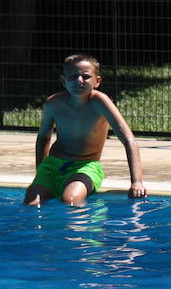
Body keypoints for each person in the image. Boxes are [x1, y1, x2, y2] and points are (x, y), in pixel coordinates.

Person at [23, 54, 148, 207]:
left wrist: (137, 182)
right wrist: (41, 173)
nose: (79, 81)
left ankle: (90, 221)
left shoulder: (100, 102)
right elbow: (43, 138)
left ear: (97, 81)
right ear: (63, 81)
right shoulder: (53, 103)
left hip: (86, 167)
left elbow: (129, 139)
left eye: (86, 77)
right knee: (32, 203)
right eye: (72, 77)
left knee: (70, 201)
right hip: (52, 166)